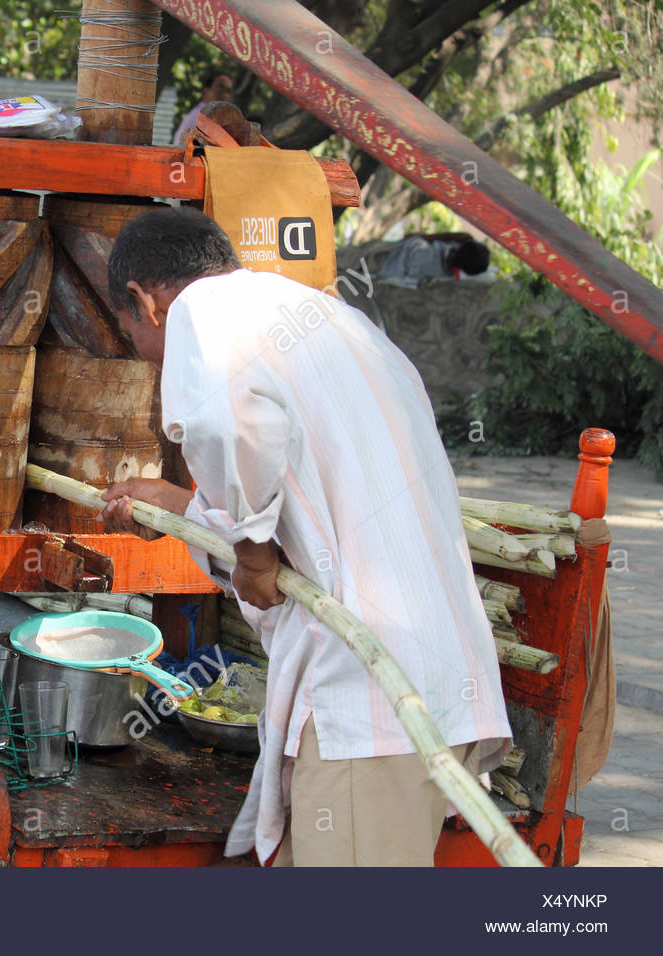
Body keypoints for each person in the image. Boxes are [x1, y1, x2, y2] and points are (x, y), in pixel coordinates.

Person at [98, 207, 511, 866]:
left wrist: (255, 557)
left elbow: (241, 431)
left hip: (372, 697)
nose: (147, 359)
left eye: (130, 335)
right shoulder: (332, 318)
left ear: (144, 302)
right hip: (433, 683)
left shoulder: (203, 316)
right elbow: (314, 501)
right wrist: (174, 504)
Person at [378, 232, 490, 280]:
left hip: (382, 259)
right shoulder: (445, 277)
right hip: (383, 269)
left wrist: (450, 236)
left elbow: (412, 239)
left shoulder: (423, 251)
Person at [173, 73, 233, 146]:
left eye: (228, 91)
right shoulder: (199, 116)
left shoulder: (222, 117)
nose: (224, 95)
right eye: (220, 88)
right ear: (206, 89)